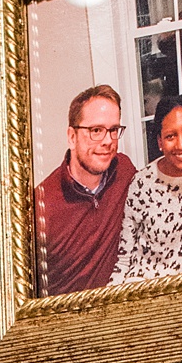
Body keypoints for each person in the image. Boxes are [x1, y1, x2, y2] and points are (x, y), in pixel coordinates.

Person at [33, 86, 137, 295]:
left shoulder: (124, 171)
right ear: (72, 137)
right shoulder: (41, 206)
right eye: (96, 131)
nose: (108, 141)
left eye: (113, 130)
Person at [110, 92, 182, 285]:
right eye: (170, 136)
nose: (181, 144)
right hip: (144, 286)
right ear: (160, 142)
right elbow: (125, 255)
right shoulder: (142, 183)